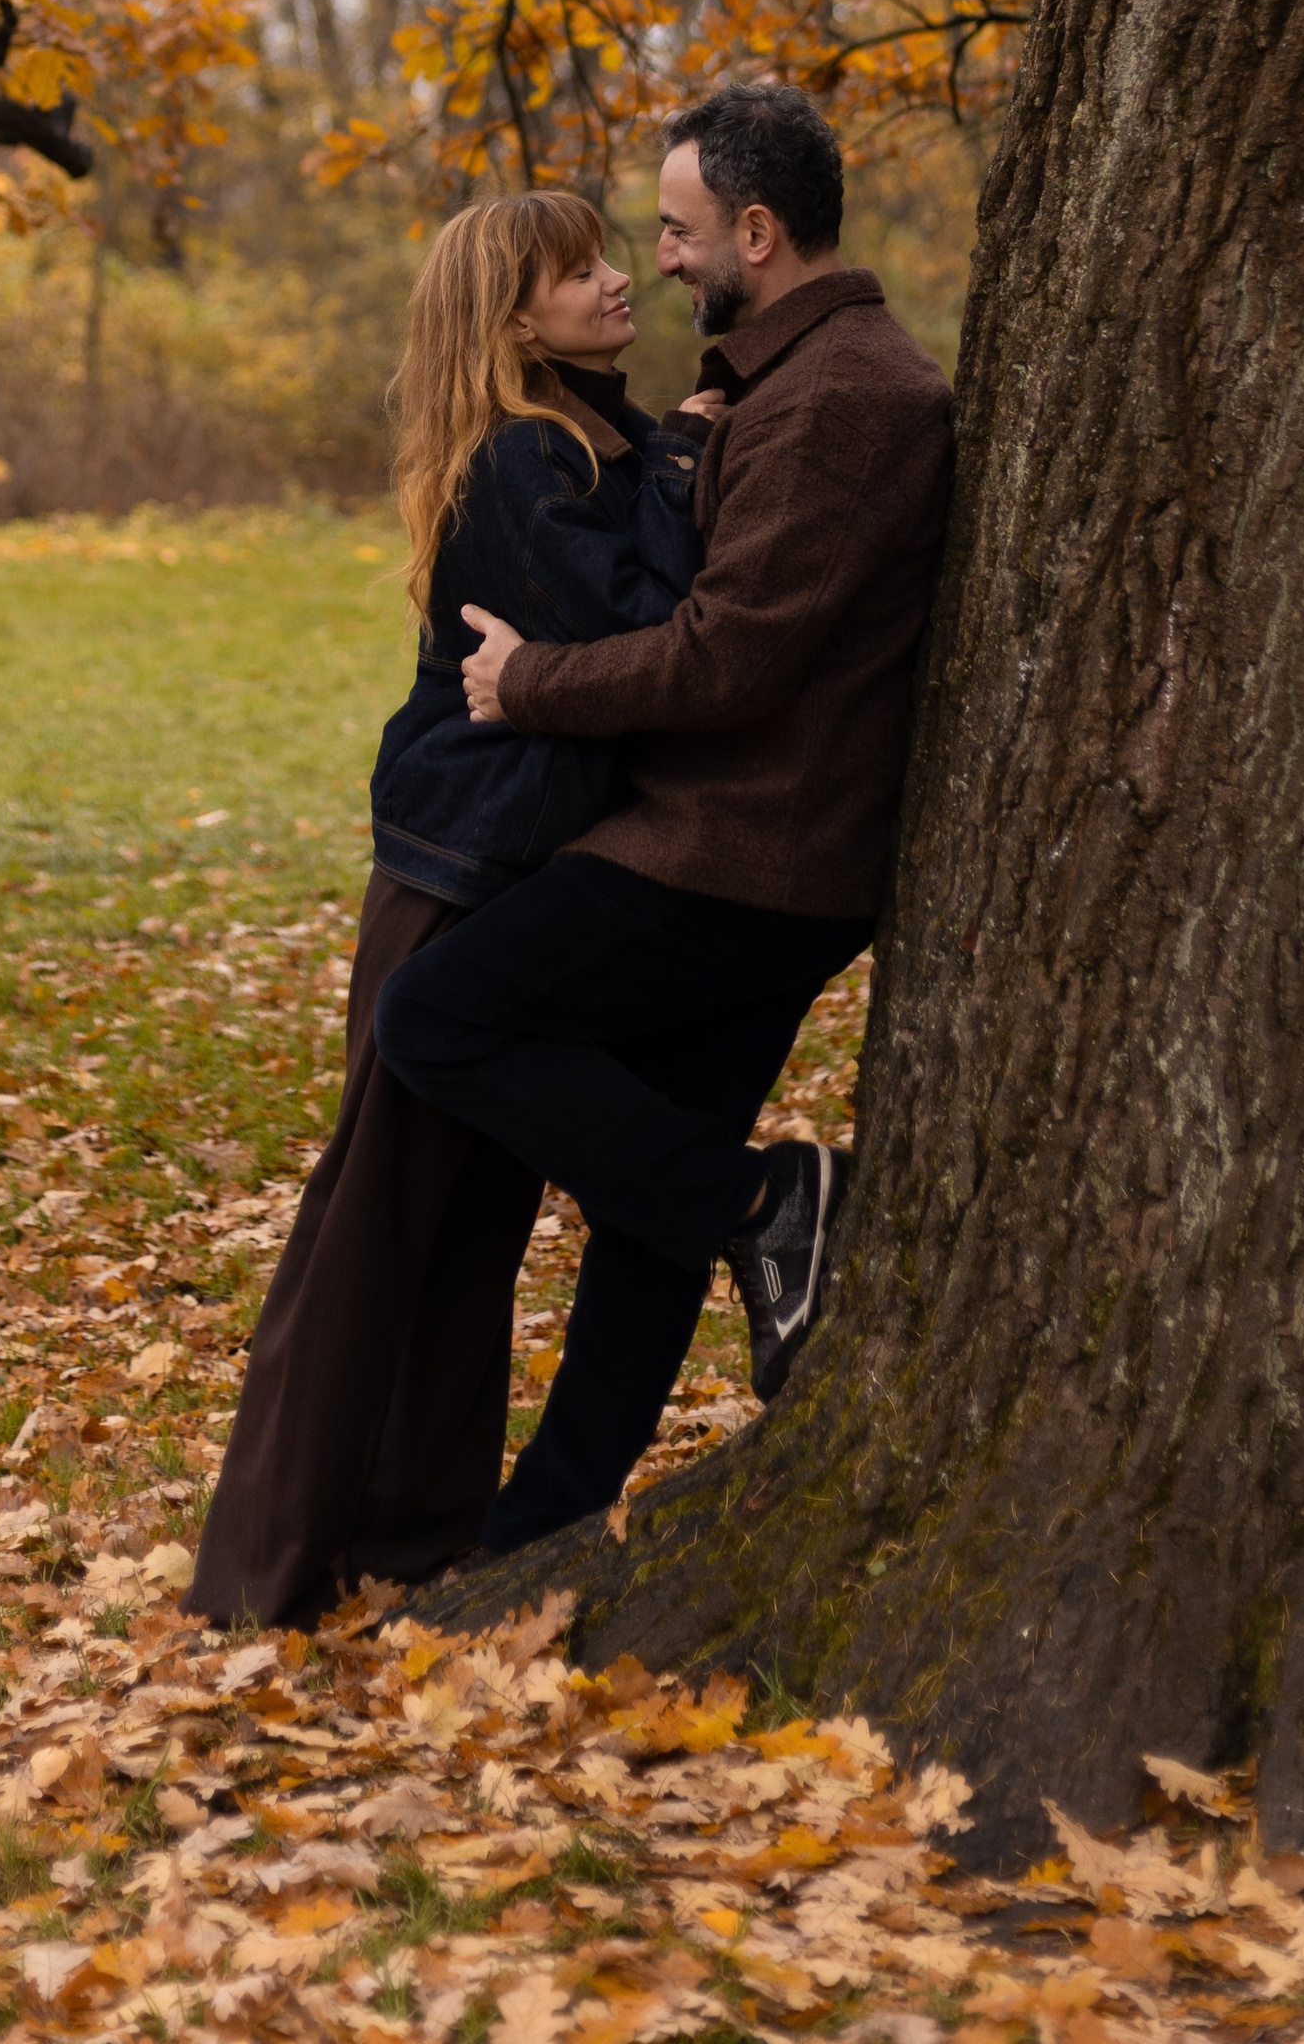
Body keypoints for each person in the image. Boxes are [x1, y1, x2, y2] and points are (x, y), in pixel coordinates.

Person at [374, 84, 953, 1557]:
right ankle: (547, 1535)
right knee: (647, 1209)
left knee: (441, 1017)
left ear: (758, 231)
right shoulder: (784, 382)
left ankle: (770, 1199)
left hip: (742, 853)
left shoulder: (848, 398)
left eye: (683, 233)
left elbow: (725, 654)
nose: (666, 262)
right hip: (744, 843)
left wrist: (528, 682)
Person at [186, 188, 709, 1625]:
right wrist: (689, 460)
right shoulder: (530, 462)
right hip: (453, 885)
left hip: (501, 876)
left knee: (470, 1230)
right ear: (511, 318)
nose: (619, 283)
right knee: (381, 1228)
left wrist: (670, 448)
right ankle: (270, 1566)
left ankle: (409, 1539)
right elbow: (647, 629)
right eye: (580, 272)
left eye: (613, 259)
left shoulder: (592, 437)